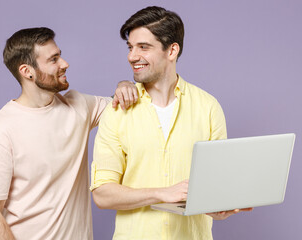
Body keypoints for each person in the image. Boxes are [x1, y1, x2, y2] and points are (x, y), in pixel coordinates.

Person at [90, 6, 252, 239]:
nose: (132, 56)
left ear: (172, 50)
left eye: (143, 47)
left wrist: (220, 208)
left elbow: (216, 188)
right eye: (130, 47)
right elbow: (103, 194)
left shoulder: (208, 107)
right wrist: (162, 193)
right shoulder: (117, 111)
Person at [0, 27, 137, 240]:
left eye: (60, 55)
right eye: (54, 60)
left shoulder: (80, 106)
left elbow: (124, 102)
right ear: (27, 71)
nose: (64, 64)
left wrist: (124, 84)